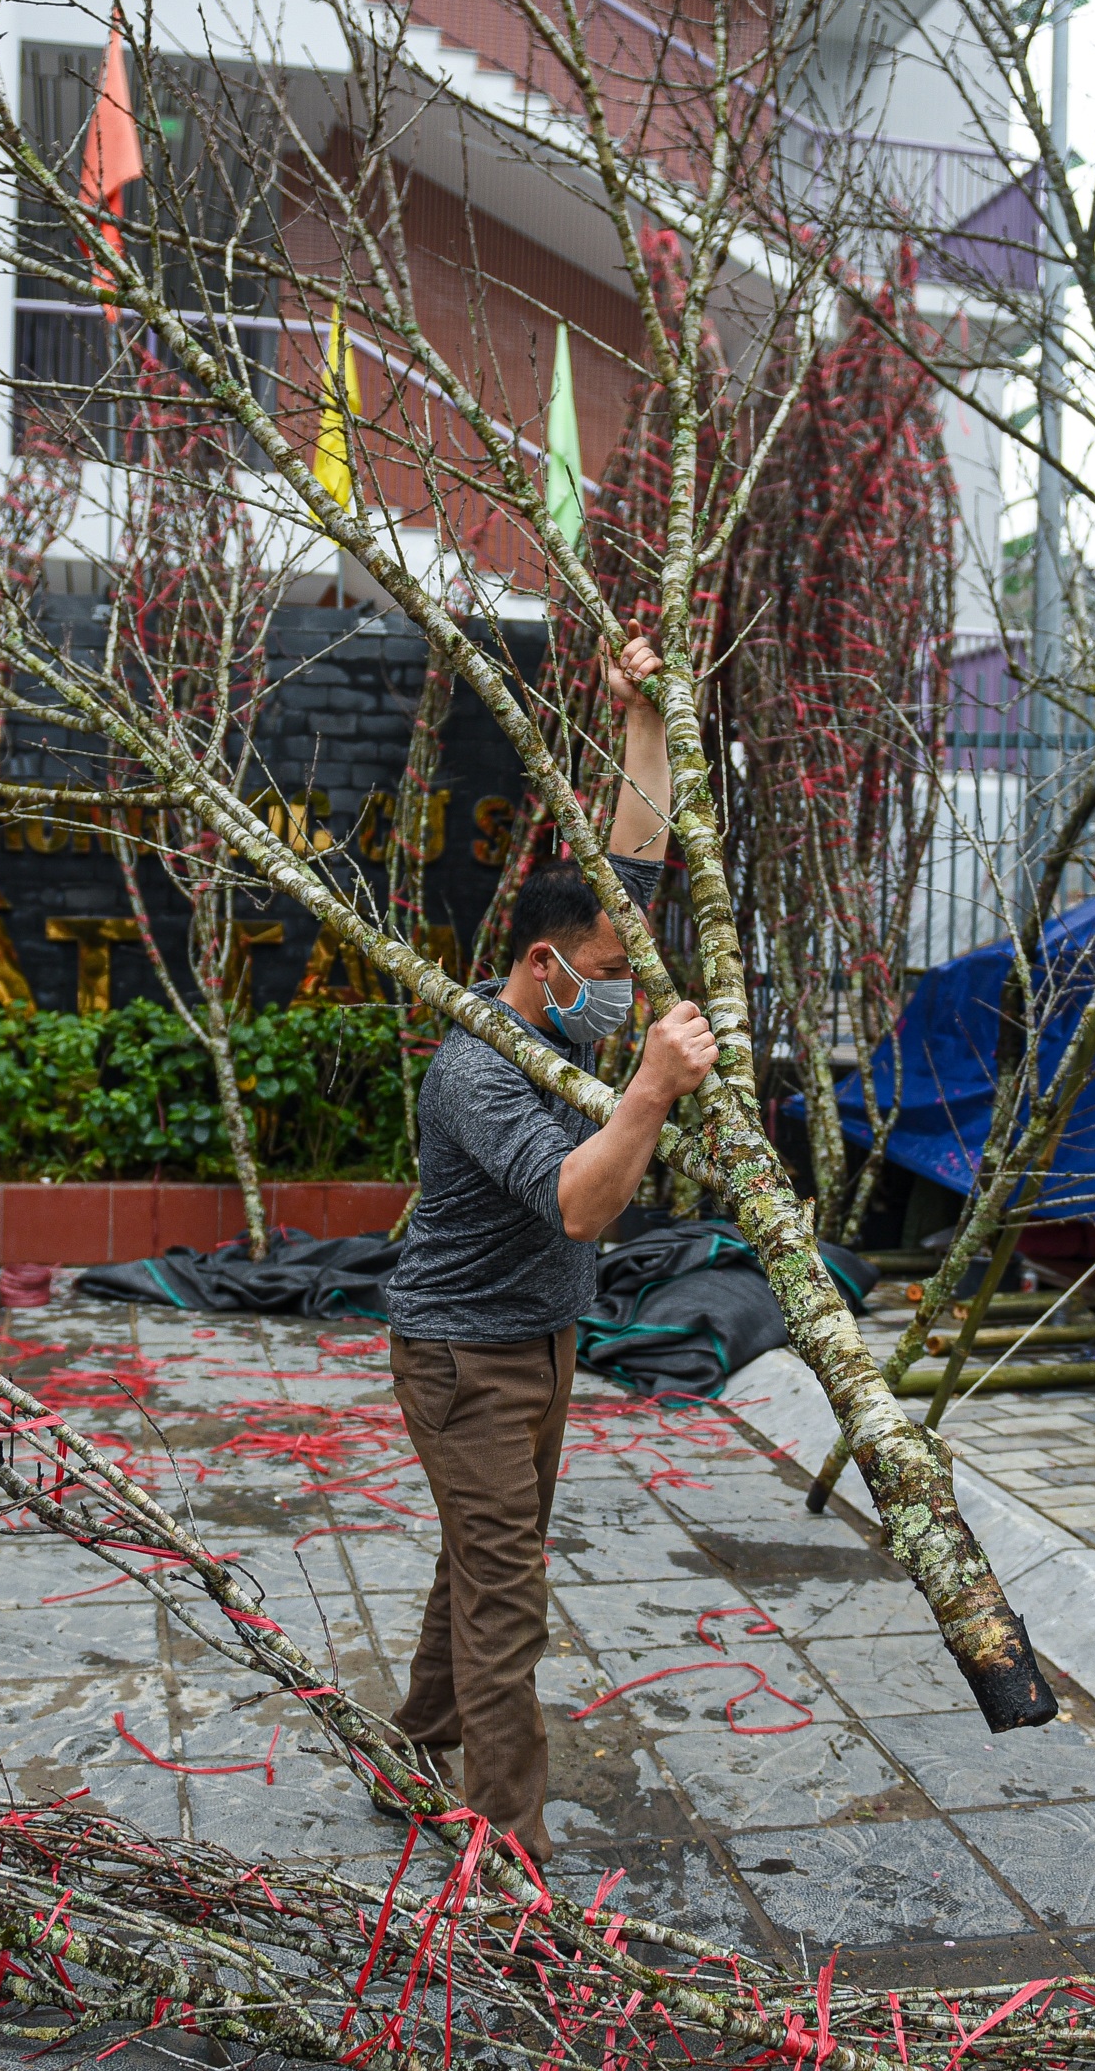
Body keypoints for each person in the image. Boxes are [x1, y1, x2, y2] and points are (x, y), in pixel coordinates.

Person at [379, 637, 717, 1861]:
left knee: (485, 1556)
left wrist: (635, 719)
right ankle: (503, 1851)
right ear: (542, 966)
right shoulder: (478, 1069)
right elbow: (578, 1204)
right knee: (506, 1598)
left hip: (539, 1342)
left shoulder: (558, 1019)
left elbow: (630, 863)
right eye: (610, 976)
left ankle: (407, 1741)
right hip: (464, 1359)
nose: (624, 993)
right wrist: (653, 1088)